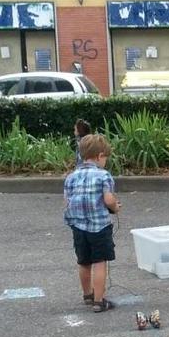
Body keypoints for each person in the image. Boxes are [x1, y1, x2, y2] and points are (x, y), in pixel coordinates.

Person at [63, 134, 120, 312]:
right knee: (100, 262)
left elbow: (66, 201)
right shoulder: (103, 176)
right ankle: (99, 301)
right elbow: (109, 199)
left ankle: (87, 294)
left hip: (78, 227)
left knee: (84, 262)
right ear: (100, 156)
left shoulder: (71, 177)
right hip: (99, 226)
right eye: (106, 158)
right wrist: (115, 207)